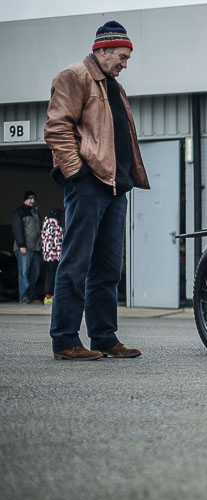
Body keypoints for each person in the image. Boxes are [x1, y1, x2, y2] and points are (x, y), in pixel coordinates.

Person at [44, 20, 150, 361]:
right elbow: (57, 127)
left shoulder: (115, 87)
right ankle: (65, 340)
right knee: (76, 263)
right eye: (122, 56)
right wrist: (77, 173)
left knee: (108, 268)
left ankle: (104, 337)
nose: (125, 64)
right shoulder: (74, 76)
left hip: (116, 187)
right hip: (89, 183)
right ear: (103, 51)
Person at [12, 190, 43, 304]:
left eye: (34, 199)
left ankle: (32, 295)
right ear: (25, 199)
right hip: (24, 249)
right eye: (30, 198)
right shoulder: (19, 211)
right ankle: (24, 297)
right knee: (24, 273)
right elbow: (17, 229)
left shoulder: (35, 213)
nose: (32, 201)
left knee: (35, 273)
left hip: (36, 249)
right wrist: (21, 245)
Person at [41, 208, 65, 305]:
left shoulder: (46, 224)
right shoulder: (55, 225)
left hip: (47, 255)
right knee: (53, 276)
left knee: (49, 275)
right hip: (54, 255)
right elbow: (59, 241)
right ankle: (50, 296)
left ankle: (48, 296)